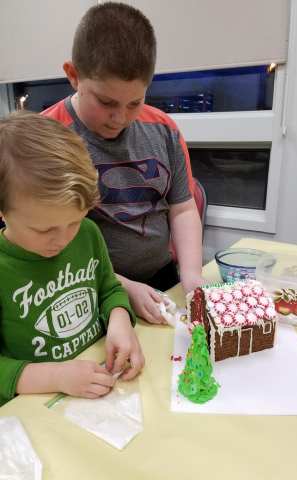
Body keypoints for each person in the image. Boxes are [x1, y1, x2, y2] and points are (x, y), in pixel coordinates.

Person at [42, 2, 209, 325]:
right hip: (88, 288)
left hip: (163, 278)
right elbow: (46, 239)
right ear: (74, 75)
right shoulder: (47, 140)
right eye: (106, 102)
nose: (120, 118)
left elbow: (183, 209)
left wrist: (191, 274)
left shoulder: (164, 130)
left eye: (135, 102)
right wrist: (121, 285)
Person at [0, 110, 144, 407]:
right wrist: (56, 376)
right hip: (37, 408)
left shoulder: (88, 234)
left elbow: (109, 289)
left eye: (75, 220)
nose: (63, 239)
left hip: (99, 390)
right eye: (43, 229)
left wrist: (120, 320)